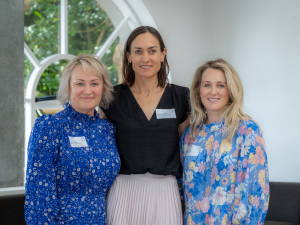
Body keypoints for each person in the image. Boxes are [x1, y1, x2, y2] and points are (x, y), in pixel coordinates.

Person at [100, 26, 190, 225]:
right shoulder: (111, 99)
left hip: (165, 193)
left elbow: (189, 151)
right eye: (138, 51)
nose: (145, 58)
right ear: (129, 56)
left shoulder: (182, 97)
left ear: (163, 54)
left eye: (152, 51)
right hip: (123, 192)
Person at [24, 54, 120, 225]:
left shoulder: (107, 130)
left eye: (95, 83)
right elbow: (39, 197)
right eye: (80, 83)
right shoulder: (49, 127)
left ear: (103, 88)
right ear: (68, 87)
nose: (88, 90)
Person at [180, 59, 269, 224]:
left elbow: (254, 192)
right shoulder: (190, 136)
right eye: (207, 85)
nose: (213, 92)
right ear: (198, 90)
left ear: (231, 90)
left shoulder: (247, 131)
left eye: (220, 85)